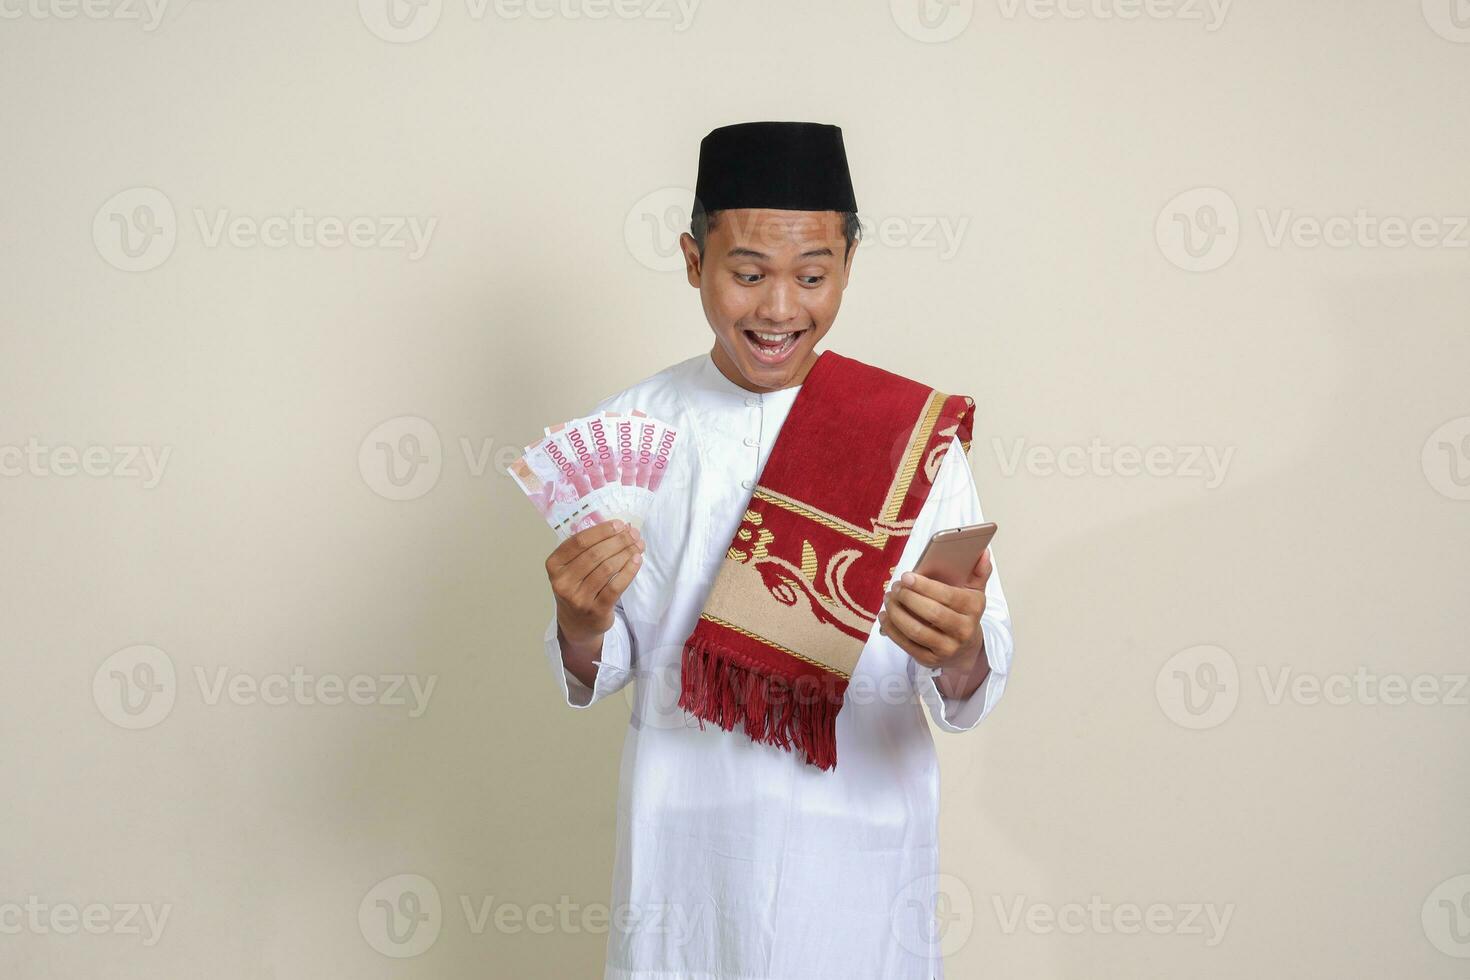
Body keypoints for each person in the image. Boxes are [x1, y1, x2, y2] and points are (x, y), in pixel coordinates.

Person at [540, 121, 1014, 979]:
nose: (779, 309)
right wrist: (579, 623)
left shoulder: (911, 440)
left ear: (847, 268)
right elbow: (599, 663)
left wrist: (961, 644)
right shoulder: (627, 434)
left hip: (863, 843)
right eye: (748, 273)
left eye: (812, 276)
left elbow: (973, 678)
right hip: (688, 841)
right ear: (694, 261)